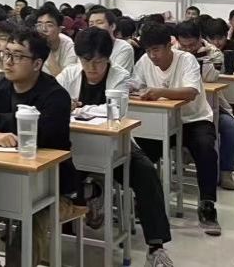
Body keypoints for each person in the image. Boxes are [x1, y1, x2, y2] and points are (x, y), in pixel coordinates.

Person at [57, 28, 175, 266]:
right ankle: (89, 198)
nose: (92, 68)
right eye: (86, 61)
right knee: (57, 174)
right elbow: (55, 105)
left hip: (116, 146)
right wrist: (75, 108)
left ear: (108, 58)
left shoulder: (119, 75)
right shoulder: (69, 74)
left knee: (146, 172)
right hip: (75, 148)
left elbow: (116, 111)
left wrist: (77, 108)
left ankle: (156, 246)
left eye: (98, 62)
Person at [0, 28, 75, 267]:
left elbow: (42, 135)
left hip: (53, 189)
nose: (7, 61)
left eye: (17, 56)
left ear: (37, 63)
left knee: (30, 223)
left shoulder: (56, 96)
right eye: (6, 54)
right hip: (3, 183)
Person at [134, 23, 222, 236]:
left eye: (156, 50)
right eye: (148, 50)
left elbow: (191, 92)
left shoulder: (186, 60)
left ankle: (207, 205)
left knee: (206, 149)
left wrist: (159, 92)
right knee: (139, 155)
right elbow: (135, 84)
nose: (152, 56)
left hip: (194, 119)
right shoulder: (144, 61)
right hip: (161, 121)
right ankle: (145, 202)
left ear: (169, 46)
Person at [176, 21, 234, 192]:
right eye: (184, 45)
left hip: (211, 104)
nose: (188, 49)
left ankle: (226, 171)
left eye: (192, 45)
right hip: (181, 106)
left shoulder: (214, 52)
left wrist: (201, 58)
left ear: (200, 38)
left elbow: (210, 78)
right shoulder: (173, 52)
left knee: (230, 127)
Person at [87, 6, 135, 74]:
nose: (94, 27)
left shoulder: (124, 48)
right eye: (91, 24)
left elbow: (117, 74)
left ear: (112, 26)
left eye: (99, 23)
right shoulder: (86, 45)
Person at [34, 5, 77, 76]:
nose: (43, 29)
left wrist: (48, 51)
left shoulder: (68, 45)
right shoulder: (31, 43)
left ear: (59, 29)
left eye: (49, 25)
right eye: (39, 24)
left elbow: (67, 79)